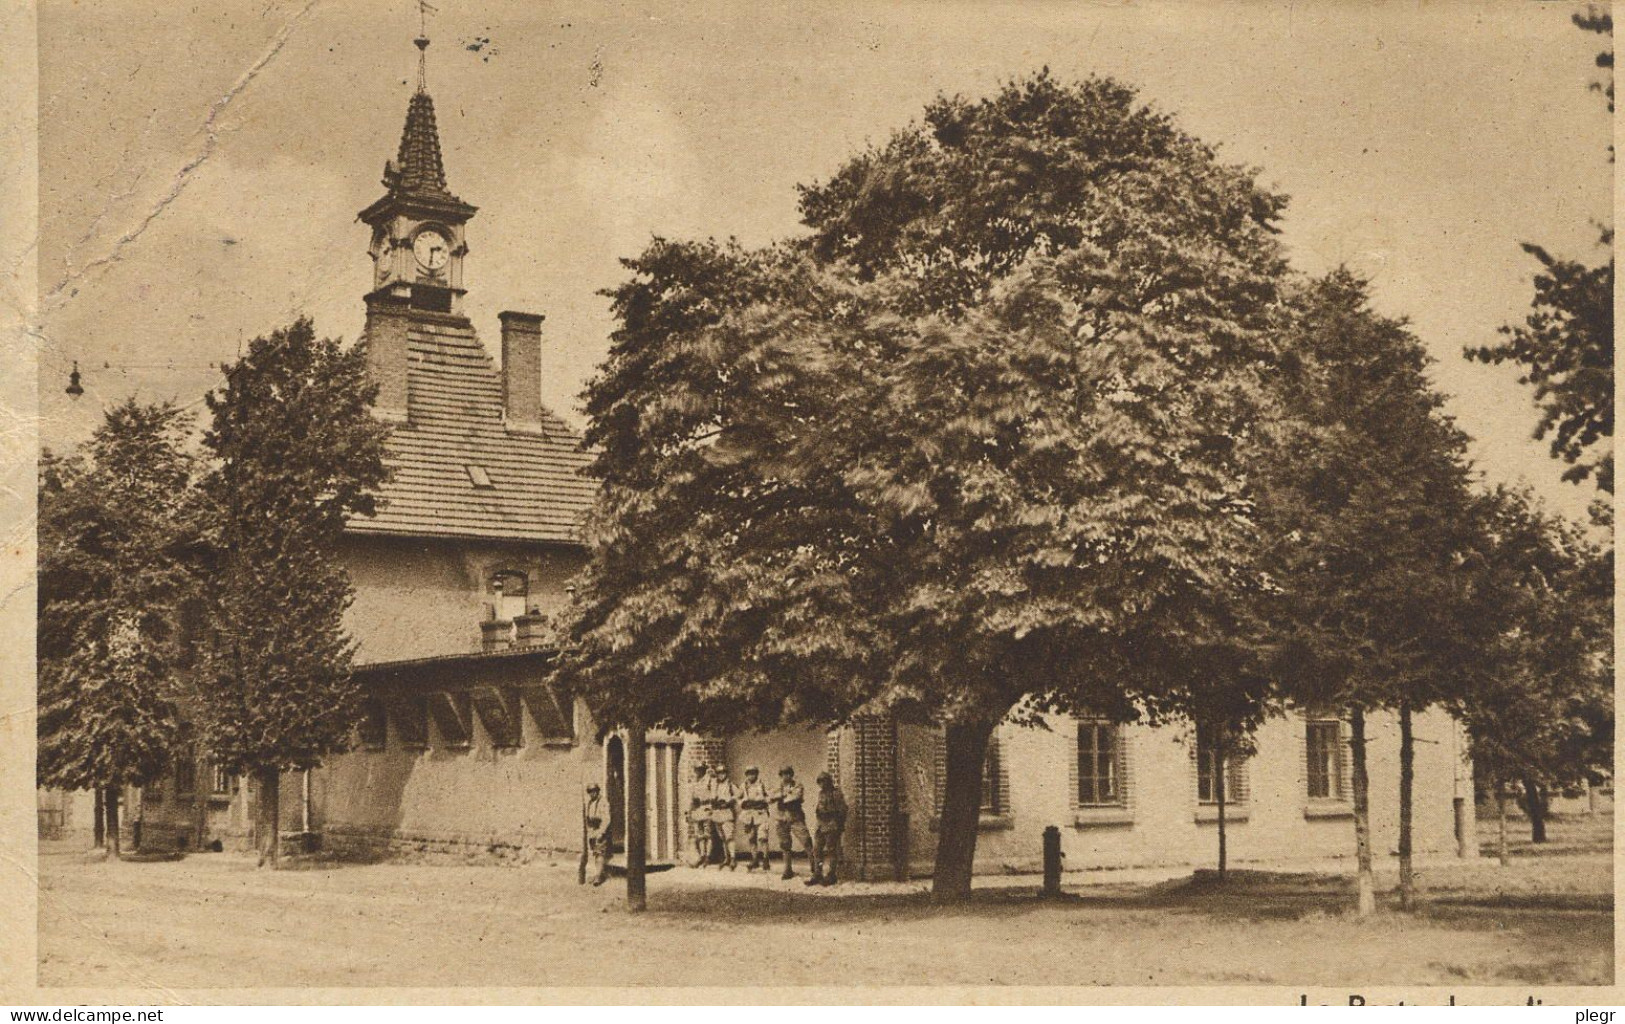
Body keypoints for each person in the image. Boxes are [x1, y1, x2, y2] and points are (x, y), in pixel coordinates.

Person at [808, 771, 847, 886]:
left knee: (831, 850)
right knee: (817, 849)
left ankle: (831, 875)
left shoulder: (836, 794)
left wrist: (838, 825)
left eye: (824, 781)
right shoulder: (821, 794)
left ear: (829, 781)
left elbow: (843, 810)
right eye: (819, 781)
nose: (821, 784)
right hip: (821, 824)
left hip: (831, 824)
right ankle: (817, 874)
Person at [772, 765, 812, 880]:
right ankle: (787, 870)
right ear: (781, 775)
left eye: (788, 773)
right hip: (781, 818)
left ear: (792, 775)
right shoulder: (778, 786)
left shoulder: (797, 785)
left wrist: (781, 796)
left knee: (806, 841)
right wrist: (782, 795)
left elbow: (794, 797)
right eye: (784, 774)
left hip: (796, 817)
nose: (786, 776)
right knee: (785, 845)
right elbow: (770, 797)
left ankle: (815, 868)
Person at [737, 766, 773, 871]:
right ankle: (754, 859)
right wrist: (743, 802)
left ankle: (766, 860)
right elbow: (738, 797)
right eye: (749, 773)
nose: (751, 776)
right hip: (748, 815)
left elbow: (770, 796)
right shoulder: (743, 786)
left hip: (760, 814)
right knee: (751, 838)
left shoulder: (762, 784)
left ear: (757, 774)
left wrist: (762, 800)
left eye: (753, 773)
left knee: (763, 837)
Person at [708, 764, 739, 870]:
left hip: (727, 812)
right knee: (722, 838)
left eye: (723, 773)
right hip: (717, 813)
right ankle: (727, 858)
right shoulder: (715, 785)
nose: (721, 775)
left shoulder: (730, 785)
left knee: (729, 836)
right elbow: (711, 796)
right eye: (719, 773)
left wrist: (729, 801)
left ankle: (733, 858)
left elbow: (738, 795)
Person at [684, 759, 712, 868]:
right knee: (699, 835)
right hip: (697, 809)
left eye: (700, 769)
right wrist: (688, 812)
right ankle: (702, 854)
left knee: (708, 834)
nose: (698, 772)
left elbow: (714, 794)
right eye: (697, 770)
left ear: (704, 770)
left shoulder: (710, 780)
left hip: (707, 807)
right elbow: (690, 798)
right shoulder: (694, 782)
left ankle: (707, 857)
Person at [583, 783, 610, 886]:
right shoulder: (590, 803)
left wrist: (601, 832)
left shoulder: (603, 802)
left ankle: (599, 877)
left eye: (594, 791)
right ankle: (597, 874)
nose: (592, 794)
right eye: (590, 792)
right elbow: (588, 818)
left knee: (600, 853)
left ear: (597, 791)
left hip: (600, 829)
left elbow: (606, 819)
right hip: (593, 829)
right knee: (595, 853)